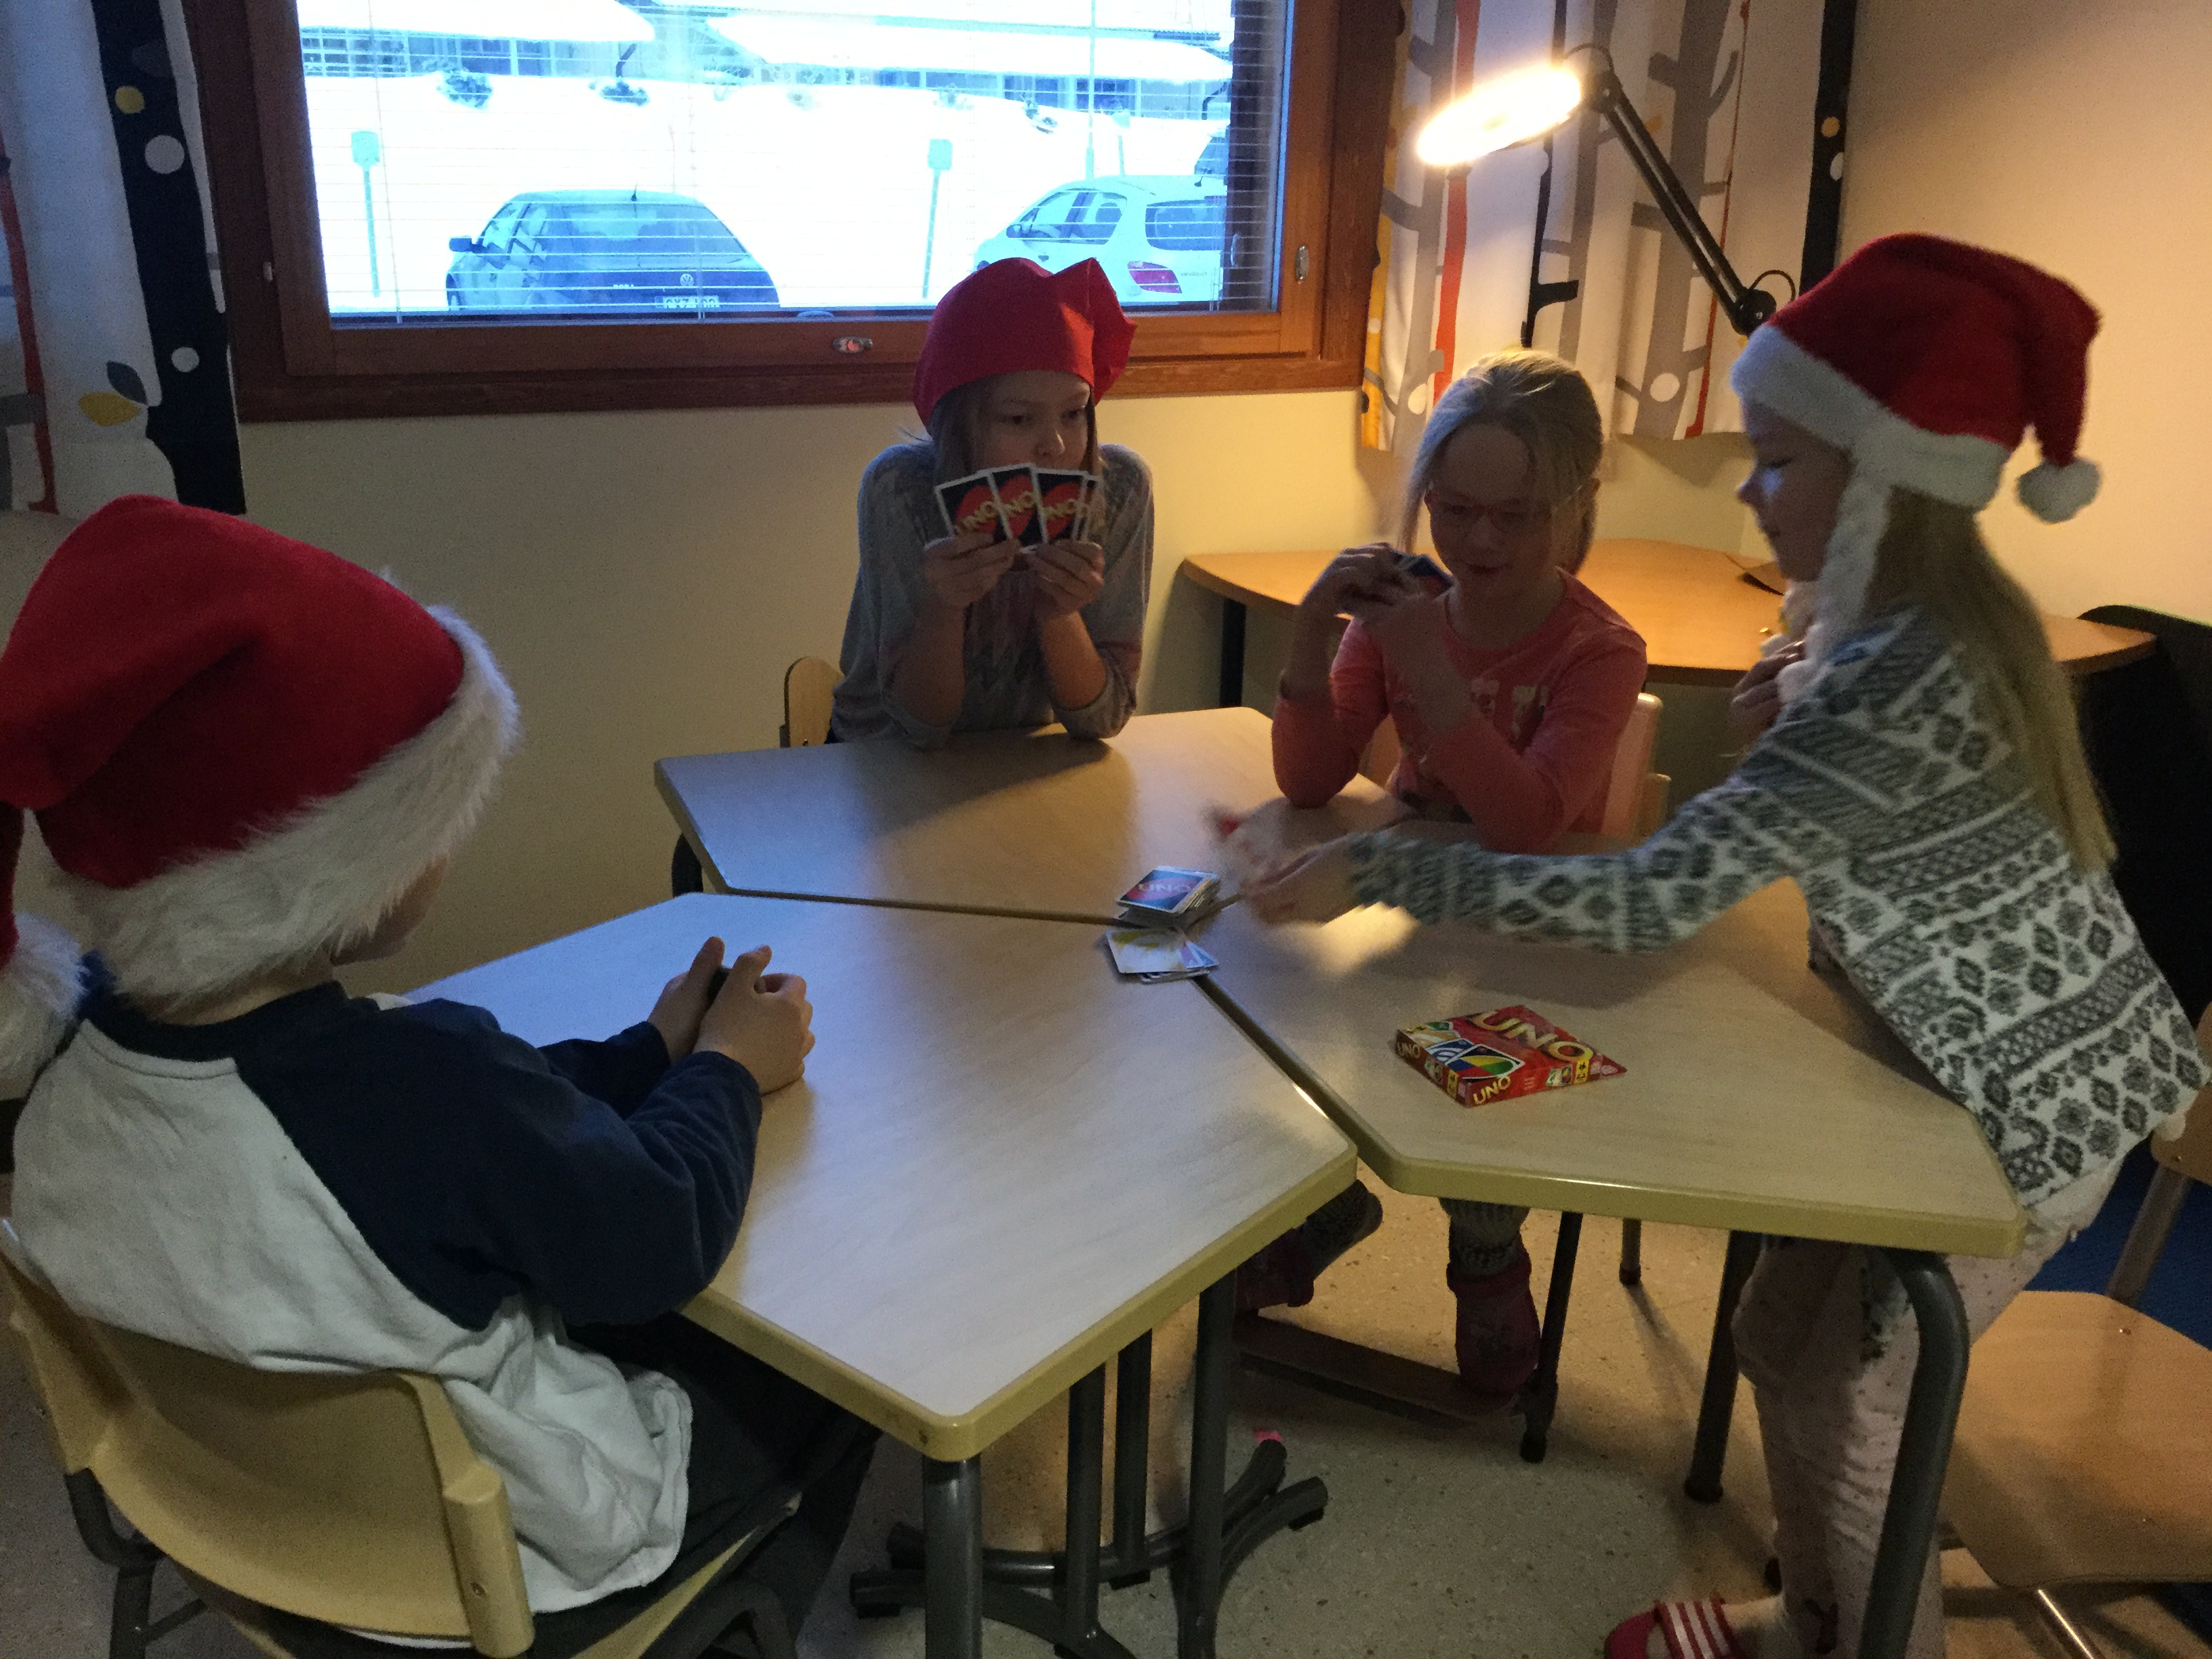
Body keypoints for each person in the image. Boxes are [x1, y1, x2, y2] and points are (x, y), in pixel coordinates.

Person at [1244, 235, 2207, 1659]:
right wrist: (1787, 711)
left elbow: (1647, 900)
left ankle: (1864, 1640)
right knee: (1772, 1338)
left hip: (2024, 1113)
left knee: (1860, 1405)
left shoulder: (1898, 669)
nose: (1748, 492)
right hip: (1966, 1069)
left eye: (1774, 462)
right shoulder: (1901, 622)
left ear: (1874, 481)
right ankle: (1812, 1617)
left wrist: (1376, 866)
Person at [0, 497, 874, 1658]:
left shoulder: (69, 1063)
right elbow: (659, 1234)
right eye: (422, 813)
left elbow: (488, 1126)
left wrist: (648, 1050)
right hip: (497, 1568)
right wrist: (724, 1068)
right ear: (325, 860)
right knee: (834, 1367)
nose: (446, 846)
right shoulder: (425, 1082)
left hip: (241, 1516)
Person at [1241, 350, 1649, 1402]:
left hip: (1530, 931)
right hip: (1408, 892)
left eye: (1515, 517)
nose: (1479, 542)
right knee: (1291, 1005)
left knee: (1474, 1077)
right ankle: (1327, 1201)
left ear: (1576, 505)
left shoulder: (1601, 651)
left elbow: (1523, 827)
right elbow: (1308, 777)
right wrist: (1312, 630)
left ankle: (1485, 1249)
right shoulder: (1410, 611)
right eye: (1455, 511)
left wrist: (1421, 660)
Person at [830, 255, 1153, 746]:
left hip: (1021, 764)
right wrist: (944, 607)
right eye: (1019, 419)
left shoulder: (1121, 489)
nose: (1055, 446)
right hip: (879, 762)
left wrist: (1058, 614)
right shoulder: (901, 489)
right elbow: (918, 729)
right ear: (958, 426)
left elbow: (1102, 721)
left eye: (1074, 413)